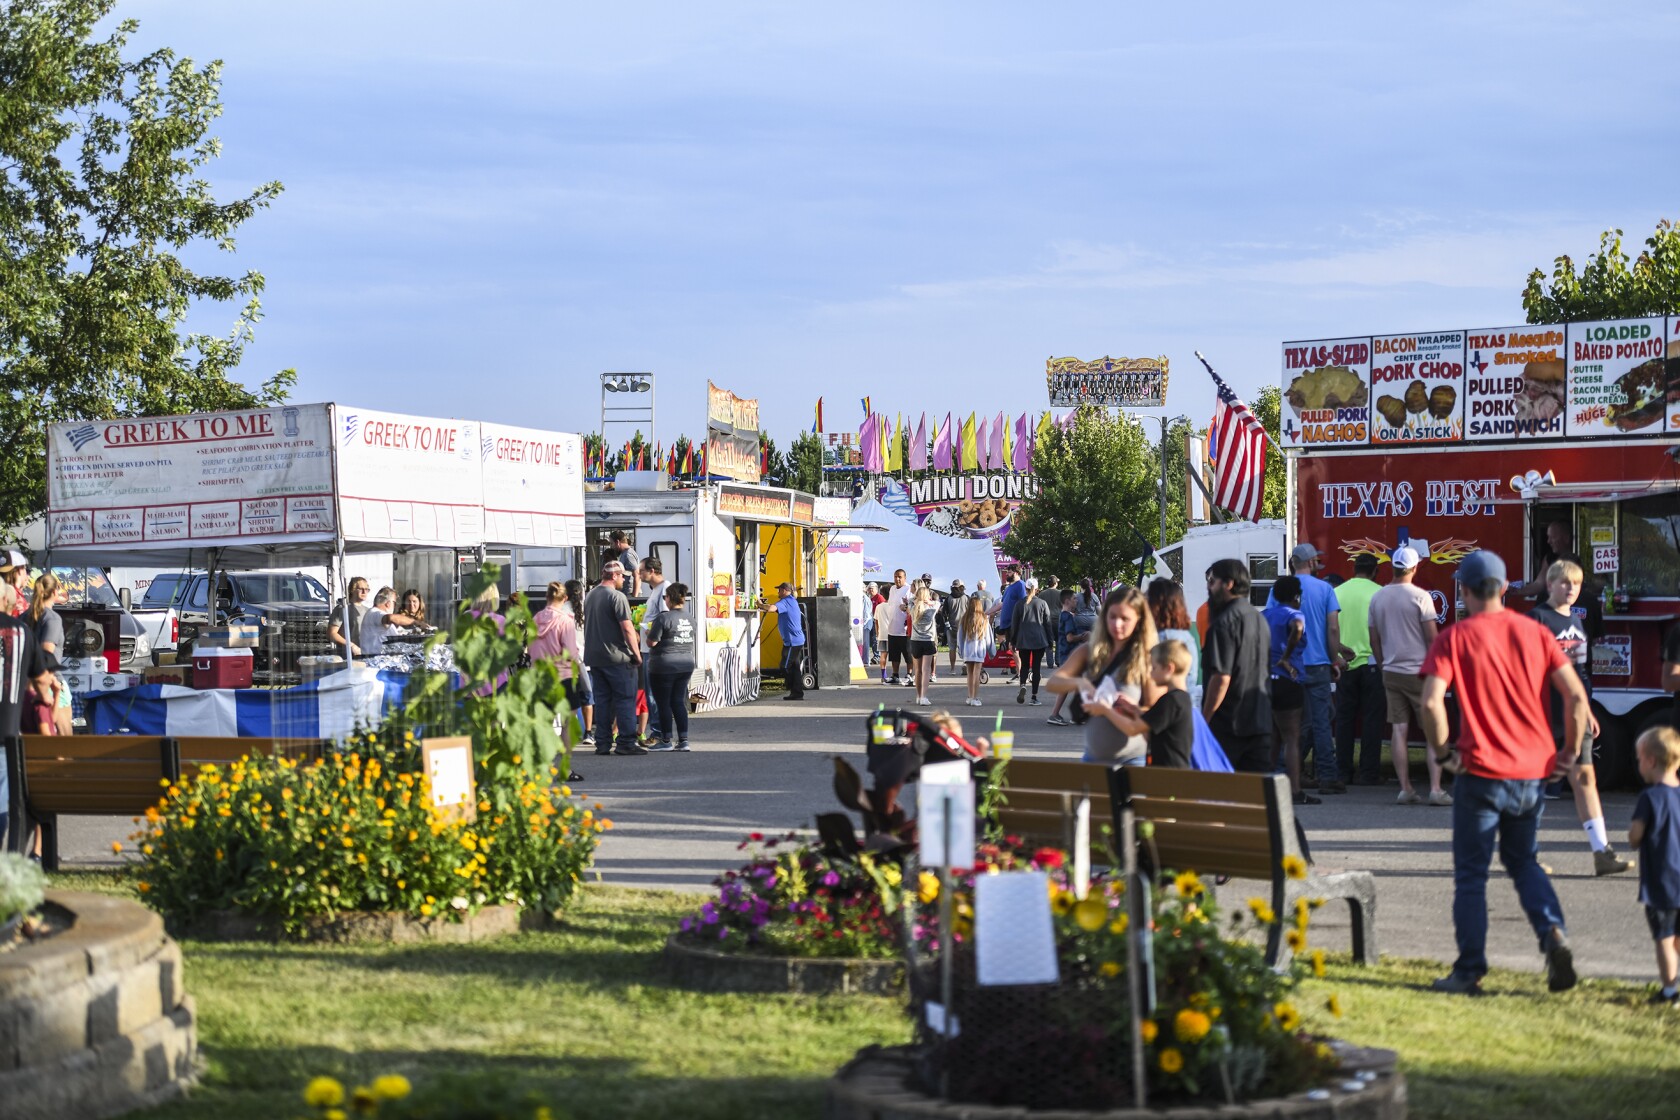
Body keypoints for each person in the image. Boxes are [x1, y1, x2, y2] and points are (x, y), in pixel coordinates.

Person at [1419, 549, 1584, 996]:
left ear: (1465, 590)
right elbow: (1575, 696)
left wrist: (1441, 753)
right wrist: (1568, 751)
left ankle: (1469, 970)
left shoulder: (1455, 638)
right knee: (1524, 861)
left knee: (1472, 876)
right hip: (1532, 771)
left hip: (1479, 771)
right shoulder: (1536, 632)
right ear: (1506, 588)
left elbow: (1432, 701)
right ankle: (1551, 932)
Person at [1532, 559, 1632, 875]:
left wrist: (1587, 709)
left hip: (1574, 713)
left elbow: (1578, 673)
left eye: (1576, 583)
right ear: (1550, 585)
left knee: (1585, 779)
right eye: (1564, 583)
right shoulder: (1536, 619)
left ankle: (1602, 852)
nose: (1571, 589)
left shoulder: (1576, 620)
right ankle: (1527, 854)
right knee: (1537, 783)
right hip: (1544, 716)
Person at [1045, 586, 1161, 766]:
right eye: (1112, 617)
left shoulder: (1147, 659)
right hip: (1093, 757)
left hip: (1133, 760)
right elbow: (1053, 682)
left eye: (1125, 619)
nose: (1117, 624)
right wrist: (1080, 683)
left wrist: (1131, 709)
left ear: (1139, 621)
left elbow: (1156, 714)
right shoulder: (1090, 651)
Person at [1367, 545, 1446, 805]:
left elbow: (1374, 639)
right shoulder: (1421, 597)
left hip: (1391, 670)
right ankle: (1435, 789)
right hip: (1420, 673)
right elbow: (1432, 638)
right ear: (1414, 568)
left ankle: (1405, 788)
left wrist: (1382, 665)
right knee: (1433, 731)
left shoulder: (1377, 598)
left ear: (1393, 566)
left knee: (1399, 730)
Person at [1270, 543, 1349, 793]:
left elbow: (1276, 623)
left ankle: (1285, 772)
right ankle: (1327, 776)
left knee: (1293, 724)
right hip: (1318, 665)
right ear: (1310, 562)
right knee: (1322, 722)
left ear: (1293, 562)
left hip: (1291, 665)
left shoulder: (1279, 589)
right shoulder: (1325, 589)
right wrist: (1333, 658)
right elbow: (1332, 628)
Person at [0, 579, 60, 844]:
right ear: (6, 602)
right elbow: (42, 677)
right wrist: (49, 694)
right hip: (6, 732)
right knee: (4, 804)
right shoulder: (21, 632)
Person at [1203, 559, 1274, 772]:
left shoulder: (1224, 623)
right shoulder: (1259, 618)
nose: (1208, 587)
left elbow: (1221, 678)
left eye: (1212, 581)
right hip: (1260, 721)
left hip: (1229, 726)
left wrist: (1205, 719)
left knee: (1222, 795)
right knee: (1254, 797)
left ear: (1229, 584)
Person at [1085, 639, 1196, 769]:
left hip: (1168, 777)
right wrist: (1135, 710)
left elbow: (1132, 729)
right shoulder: (1182, 699)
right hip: (1171, 773)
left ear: (1168, 668)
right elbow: (1152, 726)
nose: (1150, 673)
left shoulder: (1171, 701)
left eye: (1154, 668)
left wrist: (1106, 710)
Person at [1630, 726, 1680, 1005]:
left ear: (1650, 761)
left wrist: (1633, 837)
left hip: (1661, 882)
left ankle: (1670, 990)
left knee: (1664, 937)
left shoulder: (1649, 798)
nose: (1639, 765)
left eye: (1638, 759)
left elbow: (1636, 835)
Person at [1334, 553, 1386, 786]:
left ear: (1353, 569)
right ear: (1375, 571)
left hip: (1344, 664)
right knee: (1372, 720)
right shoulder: (1379, 593)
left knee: (1344, 721)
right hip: (1372, 664)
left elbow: (1331, 629)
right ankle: (1368, 773)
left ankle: (1343, 771)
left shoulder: (1337, 592)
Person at [584, 561, 644, 755]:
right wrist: (636, 654)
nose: (625, 579)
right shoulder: (617, 597)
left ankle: (602, 742)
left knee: (602, 701)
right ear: (615, 576)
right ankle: (626, 742)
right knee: (625, 699)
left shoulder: (590, 595)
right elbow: (626, 627)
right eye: (623, 576)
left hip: (595, 657)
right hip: (618, 657)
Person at [1263, 575, 1312, 803]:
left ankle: (1266, 786)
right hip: (1288, 679)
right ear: (1296, 596)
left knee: (1273, 736)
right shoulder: (1295, 614)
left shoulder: (1265, 615)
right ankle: (1294, 791)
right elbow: (1298, 628)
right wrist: (1286, 657)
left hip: (1266, 680)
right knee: (1292, 737)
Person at [530, 582, 589, 747]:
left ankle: (544, 765)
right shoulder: (565, 621)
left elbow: (530, 650)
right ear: (565, 598)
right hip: (563, 676)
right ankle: (565, 768)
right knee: (567, 723)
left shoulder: (535, 619)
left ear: (547, 597)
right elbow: (570, 653)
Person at [645, 583, 696, 752]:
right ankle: (683, 740)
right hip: (686, 664)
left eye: (665, 597)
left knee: (663, 703)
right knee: (678, 701)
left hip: (663, 664)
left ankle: (665, 739)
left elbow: (652, 642)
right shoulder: (690, 618)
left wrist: (648, 633)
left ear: (669, 598)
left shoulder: (663, 618)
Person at [26, 573, 73, 736]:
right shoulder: (52, 618)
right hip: (50, 683)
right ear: (54, 592)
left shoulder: (24, 616)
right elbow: (47, 653)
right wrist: (48, 689)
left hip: (27, 685)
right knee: (64, 740)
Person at [1146, 579, 1201, 707]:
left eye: (1148, 600)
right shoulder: (1185, 636)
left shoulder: (1163, 638)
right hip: (1186, 708)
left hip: (1168, 711)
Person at [1011, 577, 1055, 706]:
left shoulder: (1019, 604)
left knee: (1024, 665)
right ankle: (1034, 697)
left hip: (1023, 639)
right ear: (1036, 589)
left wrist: (1013, 641)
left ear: (1026, 589)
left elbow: (1014, 624)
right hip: (1039, 639)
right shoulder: (1042, 603)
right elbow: (1047, 623)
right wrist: (1050, 640)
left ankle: (1023, 685)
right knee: (1036, 668)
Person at [638, 558, 668, 744]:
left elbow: (665, 618)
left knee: (653, 693)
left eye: (641, 571)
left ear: (651, 571)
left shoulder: (664, 589)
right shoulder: (656, 590)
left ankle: (658, 733)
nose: (639, 574)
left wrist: (653, 633)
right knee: (651, 692)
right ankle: (658, 732)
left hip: (655, 650)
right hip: (649, 647)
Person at [359, 587, 423, 657]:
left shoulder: (376, 614)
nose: (395, 606)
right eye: (394, 603)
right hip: (376, 663)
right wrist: (415, 622)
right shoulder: (375, 613)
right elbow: (390, 618)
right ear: (388, 603)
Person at [955, 594, 994, 707]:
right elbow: (989, 638)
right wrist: (991, 652)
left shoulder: (965, 618)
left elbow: (960, 637)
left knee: (970, 674)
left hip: (968, 650)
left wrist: (961, 650)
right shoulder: (984, 619)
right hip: (979, 650)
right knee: (977, 673)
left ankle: (970, 696)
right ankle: (975, 697)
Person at [770, 581, 807, 701]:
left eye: (779, 590)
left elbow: (771, 608)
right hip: (794, 640)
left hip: (793, 641)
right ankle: (797, 692)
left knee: (785, 666)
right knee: (794, 667)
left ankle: (792, 688)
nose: (778, 592)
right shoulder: (792, 601)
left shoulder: (785, 601)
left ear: (785, 590)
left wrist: (760, 605)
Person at [990, 568, 1027, 680]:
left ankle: (1020, 673)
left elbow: (1024, 602)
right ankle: (1020, 672)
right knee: (1012, 647)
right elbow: (1002, 604)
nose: (1007, 574)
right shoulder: (1009, 588)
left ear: (1016, 573)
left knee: (1013, 647)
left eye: (1010, 572)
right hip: (1007, 623)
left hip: (1015, 623)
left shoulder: (1020, 585)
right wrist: (987, 612)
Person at [908, 580, 940, 705]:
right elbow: (938, 603)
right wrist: (929, 601)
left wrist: (917, 599)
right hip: (928, 640)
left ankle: (918, 695)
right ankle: (923, 696)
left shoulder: (913, 608)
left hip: (915, 640)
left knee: (917, 670)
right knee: (926, 669)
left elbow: (910, 601)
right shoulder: (931, 609)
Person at [329, 577, 371, 658]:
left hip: (365, 656)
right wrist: (351, 646)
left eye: (367, 589)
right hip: (346, 657)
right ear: (352, 590)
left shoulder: (368, 611)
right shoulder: (342, 608)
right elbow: (331, 633)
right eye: (361, 589)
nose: (364, 592)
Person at [884, 569, 911, 685]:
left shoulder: (908, 589)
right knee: (894, 655)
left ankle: (909, 674)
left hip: (904, 630)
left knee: (907, 654)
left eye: (900, 577)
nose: (897, 579)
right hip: (892, 627)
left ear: (905, 577)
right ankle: (895, 675)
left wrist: (905, 607)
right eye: (895, 577)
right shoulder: (892, 589)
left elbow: (911, 606)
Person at [943, 580, 967, 674]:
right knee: (965, 647)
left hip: (951, 627)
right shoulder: (966, 598)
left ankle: (952, 669)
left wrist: (947, 624)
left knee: (952, 648)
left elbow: (944, 613)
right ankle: (965, 664)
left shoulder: (948, 598)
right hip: (964, 627)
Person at [609, 530, 642, 597]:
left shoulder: (628, 555)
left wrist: (634, 598)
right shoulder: (624, 553)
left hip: (630, 593)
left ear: (617, 542)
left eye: (611, 543)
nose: (611, 546)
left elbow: (637, 575)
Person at [872, 591, 893, 682]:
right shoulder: (893, 606)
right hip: (893, 633)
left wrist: (877, 633)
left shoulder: (878, 607)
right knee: (895, 656)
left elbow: (876, 621)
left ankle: (883, 675)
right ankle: (894, 674)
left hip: (882, 633)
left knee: (883, 655)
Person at [862, 582, 882, 665]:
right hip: (872, 620)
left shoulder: (879, 597)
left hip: (876, 620)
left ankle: (877, 656)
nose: (870, 590)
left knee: (875, 639)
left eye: (872, 588)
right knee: (872, 639)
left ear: (876, 589)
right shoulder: (870, 597)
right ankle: (875, 656)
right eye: (869, 588)